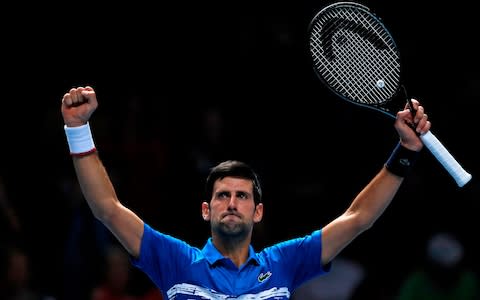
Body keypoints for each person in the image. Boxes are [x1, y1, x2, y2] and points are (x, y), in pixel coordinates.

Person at [60, 85, 431, 299]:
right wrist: (78, 130)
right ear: (206, 211)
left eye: (242, 196)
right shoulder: (174, 260)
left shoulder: (284, 263)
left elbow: (358, 218)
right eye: (222, 196)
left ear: (258, 212)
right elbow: (107, 208)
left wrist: (405, 152)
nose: (232, 202)